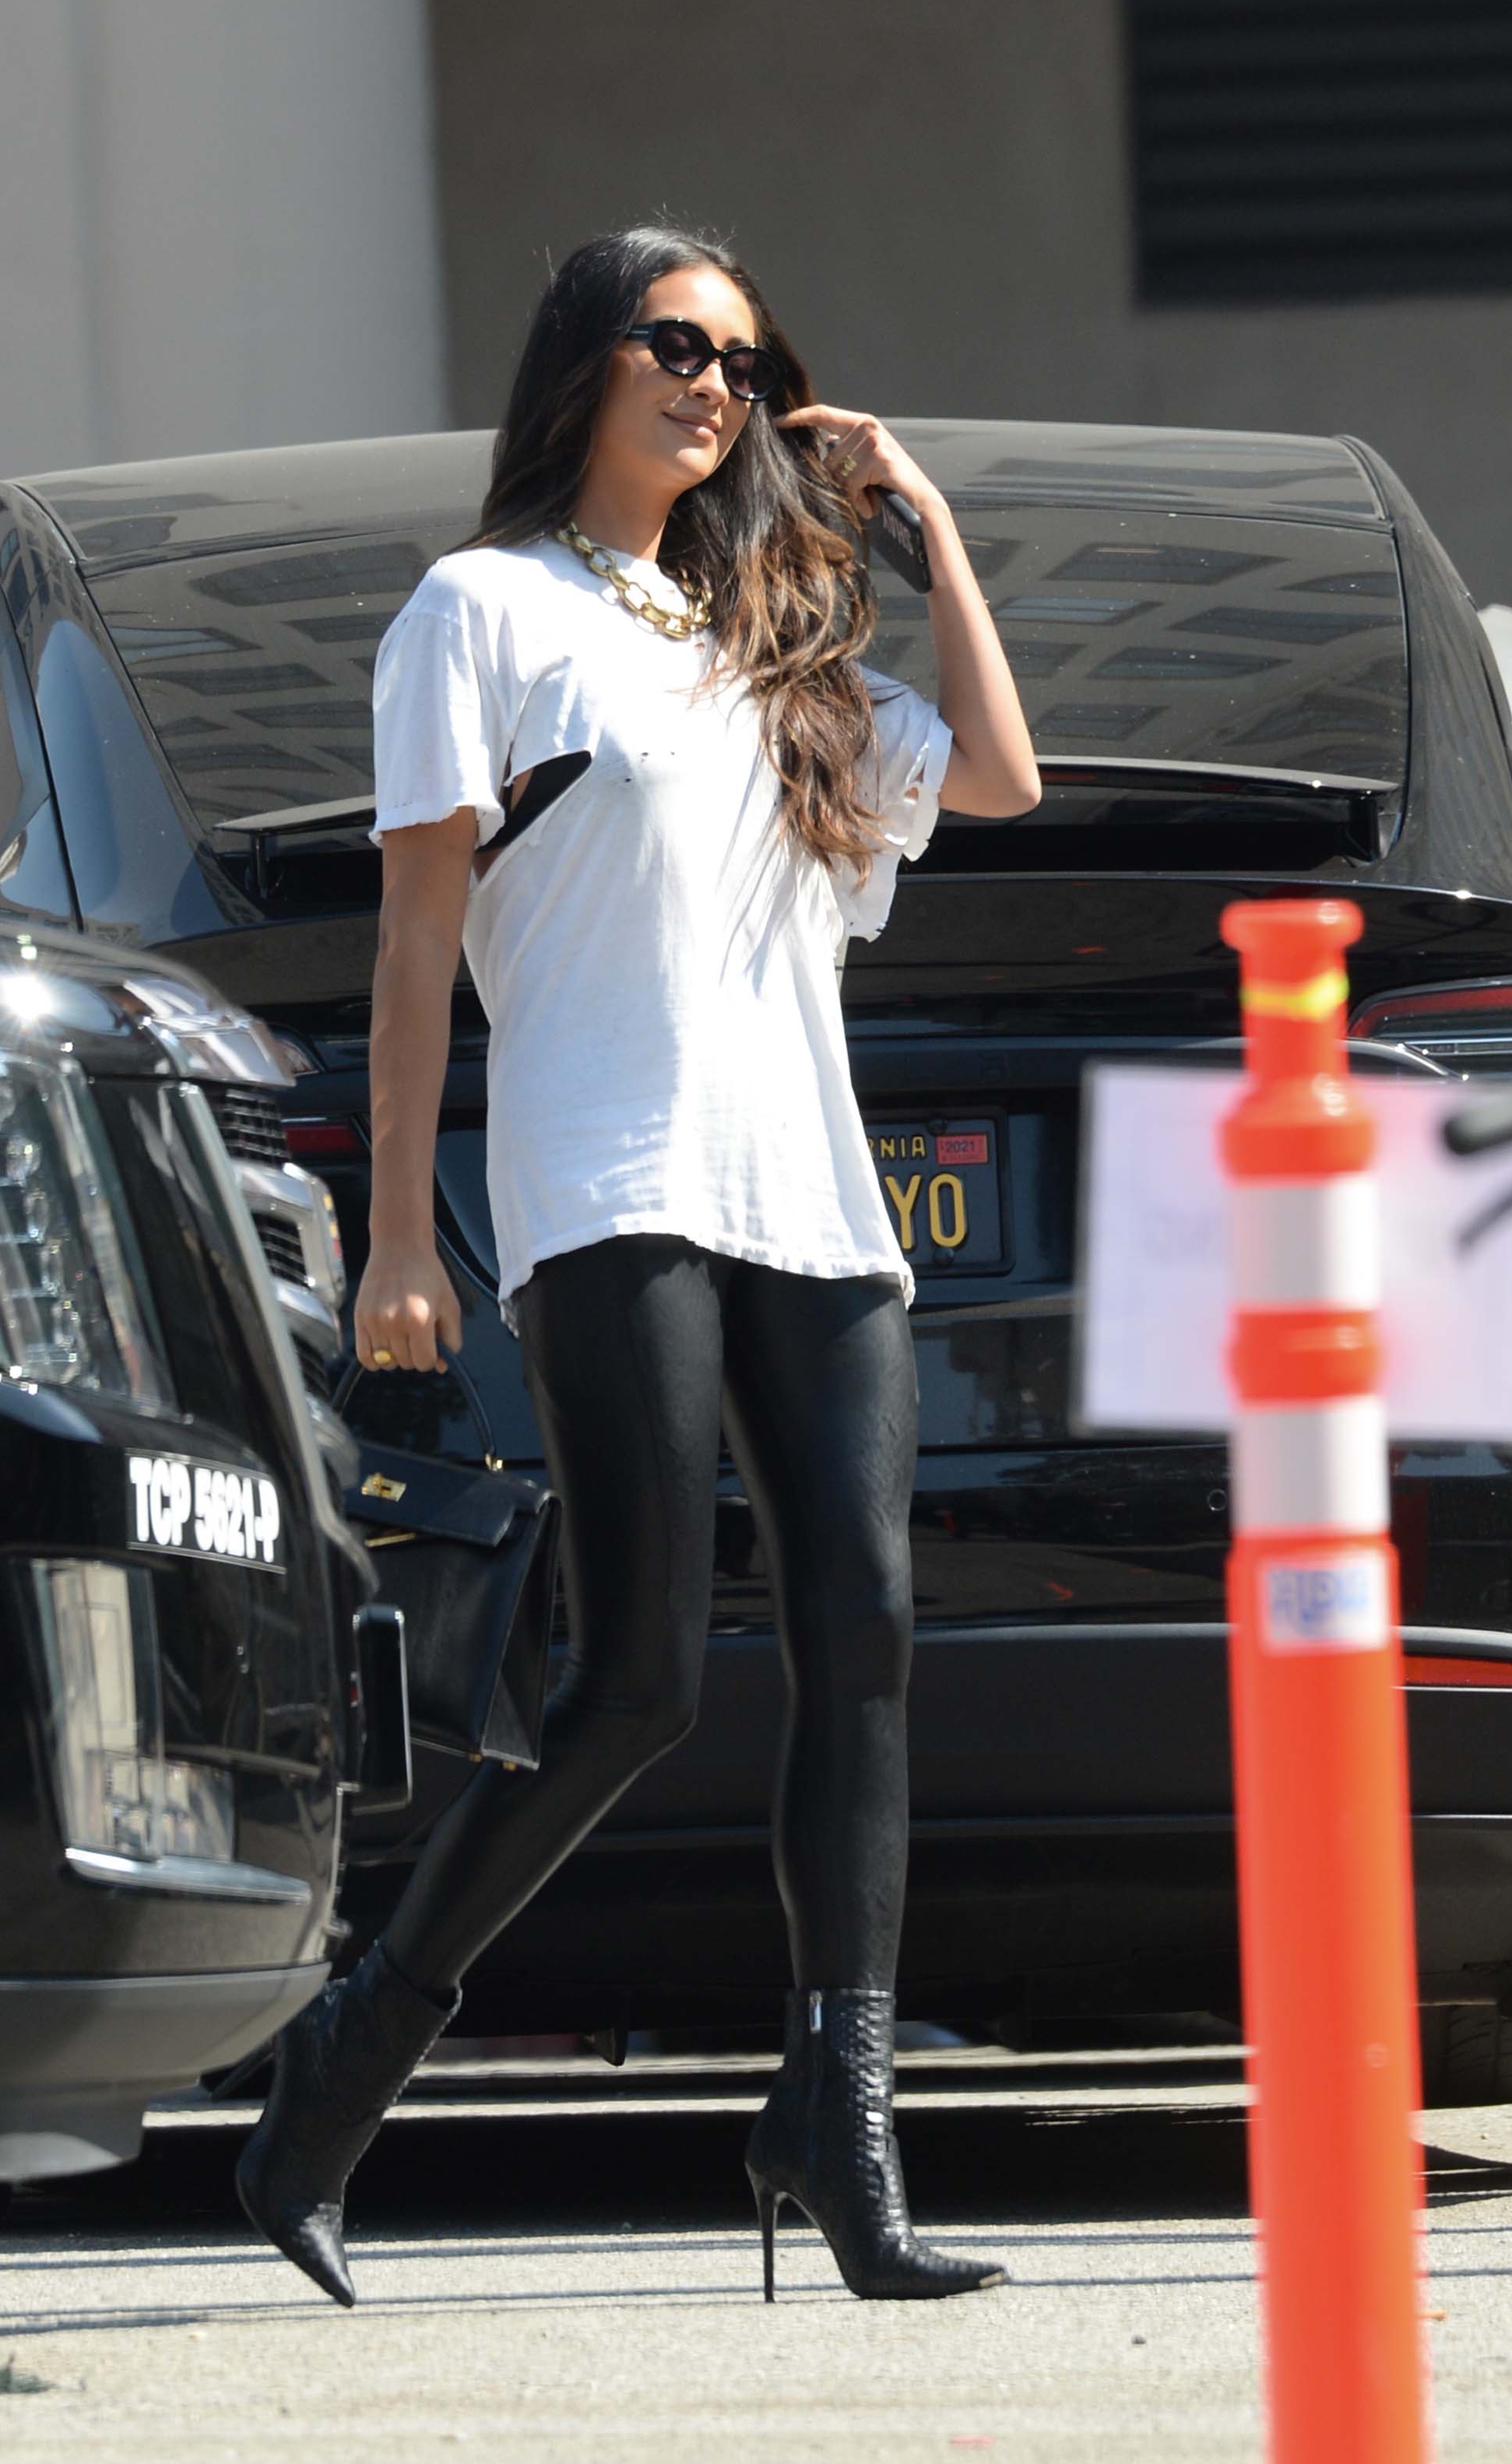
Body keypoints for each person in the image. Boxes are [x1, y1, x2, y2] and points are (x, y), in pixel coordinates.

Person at [237, 224, 1041, 2306]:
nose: (712, 385)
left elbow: (1003, 776)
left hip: (812, 1197)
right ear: (583, 361)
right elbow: (416, 947)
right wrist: (397, 1235)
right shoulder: (477, 613)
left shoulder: (768, 643)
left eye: (742, 364)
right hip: (610, 1184)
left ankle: (840, 2119)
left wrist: (930, 526)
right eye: (675, 343)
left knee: (868, 1630)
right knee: (641, 1683)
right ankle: (345, 2064)